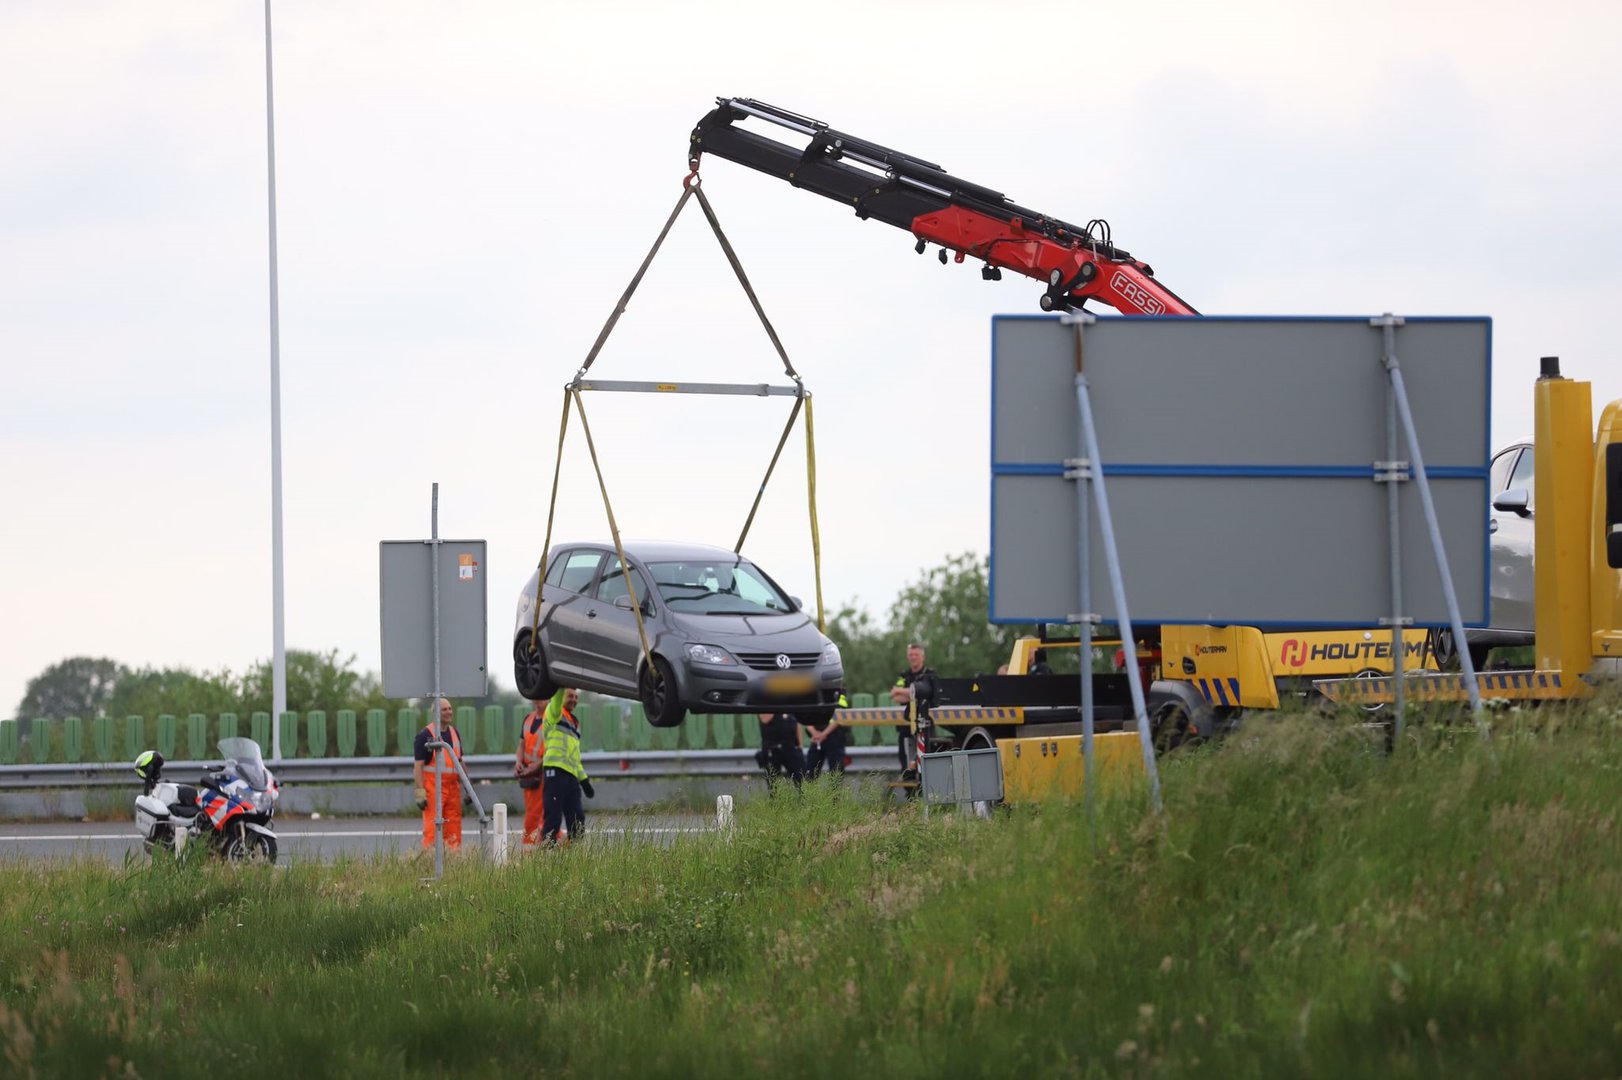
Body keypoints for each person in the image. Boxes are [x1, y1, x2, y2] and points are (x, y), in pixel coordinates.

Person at [540, 686, 592, 846]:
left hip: (571, 777)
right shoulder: (555, 712)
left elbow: (575, 758)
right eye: (570, 696)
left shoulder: (574, 723)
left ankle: (572, 854)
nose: (574, 700)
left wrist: (584, 781)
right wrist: (562, 681)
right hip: (554, 773)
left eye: (576, 697)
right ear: (562, 696)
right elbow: (556, 697)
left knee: (577, 819)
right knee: (553, 818)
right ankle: (547, 856)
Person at [413, 698, 463, 850]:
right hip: (434, 789)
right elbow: (418, 767)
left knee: (454, 829)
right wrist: (420, 793)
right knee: (432, 830)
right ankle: (430, 863)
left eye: (450, 708)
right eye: (444, 709)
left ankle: (455, 866)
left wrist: (468, 788)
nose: (449, 712)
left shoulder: (454, 733)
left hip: (453, 789)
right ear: (435, 713)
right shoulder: (424, 735)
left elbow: (460, 761)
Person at [888, 642, 934, 777]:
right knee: (905, 760)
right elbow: (895, 696)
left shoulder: (929, 674)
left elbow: (930, 693)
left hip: (924, 723)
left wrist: (904, 692)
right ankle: (909, 793)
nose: (913, 657)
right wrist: (916, 696)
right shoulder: (904, 675)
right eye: (910, 655)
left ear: (922, 656)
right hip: (905, 724)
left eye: (916, 654)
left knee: (925, 757)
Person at [513, 698, 548, 846]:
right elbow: (521, 745)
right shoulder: (528, 719)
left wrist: (537, 765)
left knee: (542, 816)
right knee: (533, 815)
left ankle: (539, 848)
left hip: (545, 775)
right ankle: (537, 849)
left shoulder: (552, 720)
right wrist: (519, 762)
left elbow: (555, 749)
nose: (539, 699)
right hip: (530, 777)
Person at [803, 694, 849, 779]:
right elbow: (803, 716)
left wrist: (823, 734)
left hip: (834, 737)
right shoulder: (810, 694)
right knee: (810, 772)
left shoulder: (840, 693)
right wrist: (814, 733)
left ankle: (834, 792)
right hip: (816, 738)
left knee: (836, 771)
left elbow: (840, 715)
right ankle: (810, 791)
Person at [756, 711, 805, 790]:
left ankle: (803, 800)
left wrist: (800, 744)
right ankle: (775, 801)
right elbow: (765, 719)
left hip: (790, 747)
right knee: (773, 782)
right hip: (772, 749)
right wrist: (777, 704)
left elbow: (797, 724)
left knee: (801, 778)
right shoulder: (766, 704)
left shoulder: (790, 707)